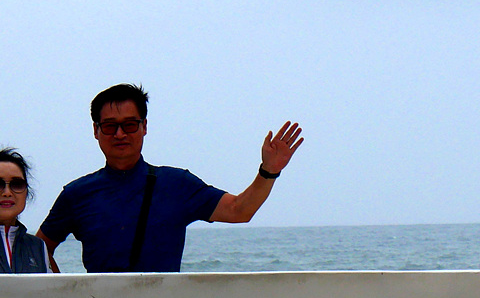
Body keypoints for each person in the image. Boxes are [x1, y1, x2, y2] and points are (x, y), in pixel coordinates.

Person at [36, 84, 302, 273]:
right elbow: (38, 250)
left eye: (129, 124)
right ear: (96, 131)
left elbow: (239, 210)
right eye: (109, 126)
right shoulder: (77, 195)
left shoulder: (177, 185)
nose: (120, 134)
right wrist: (67, 293)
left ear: (144, 127)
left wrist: (269, 171)